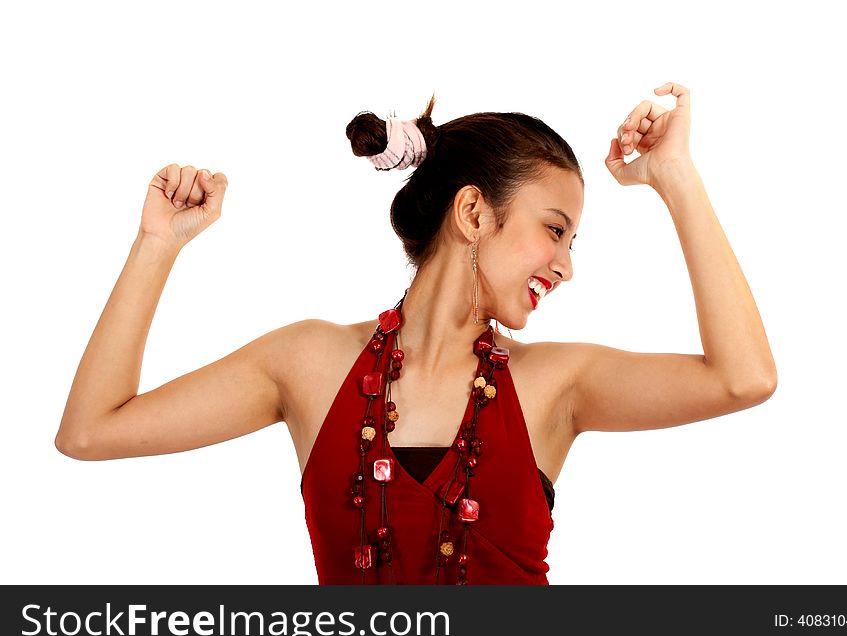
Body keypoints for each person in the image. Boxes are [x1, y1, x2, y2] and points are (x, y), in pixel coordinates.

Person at [55, 82, 776, 584]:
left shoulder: (557, 383)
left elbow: (743, 377)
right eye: (555, 231)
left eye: (572, 243)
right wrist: (157, 245)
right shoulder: (309, 363)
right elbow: (90, 430)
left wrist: (674, 174)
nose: (565, 265)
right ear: (473, 213)